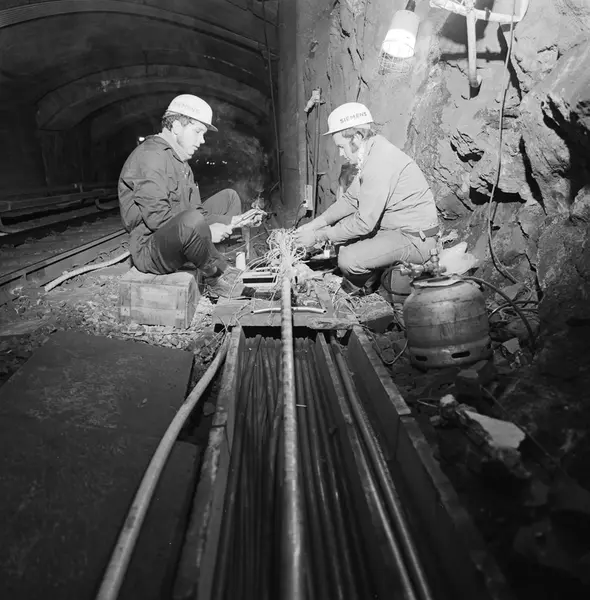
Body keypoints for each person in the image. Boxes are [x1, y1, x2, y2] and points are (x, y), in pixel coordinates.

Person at [295, 102, 439, 295]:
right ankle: (368, 277)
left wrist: (318, 236)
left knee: (349, 258)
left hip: (414, 240)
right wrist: (314, 226)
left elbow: (364, 223)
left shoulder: (379, 162)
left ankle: (353, 291)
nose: (341, 153)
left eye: (342, 147)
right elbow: (350, 200)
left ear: (357, 137)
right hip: (394, 231)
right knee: (339, 239)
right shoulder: (372, 152)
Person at [118, 94, 250, 298]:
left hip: (182, 231)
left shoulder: (180, 162)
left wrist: (234, 221)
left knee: (228, 197)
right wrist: (207, 231)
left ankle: (220, 259)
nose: (202, 140)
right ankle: (214, 278)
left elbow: (197, 212)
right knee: (192, 220)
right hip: (151, 249)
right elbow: (158, 220)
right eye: (197, 131)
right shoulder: (150, 156)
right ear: (177, 127)